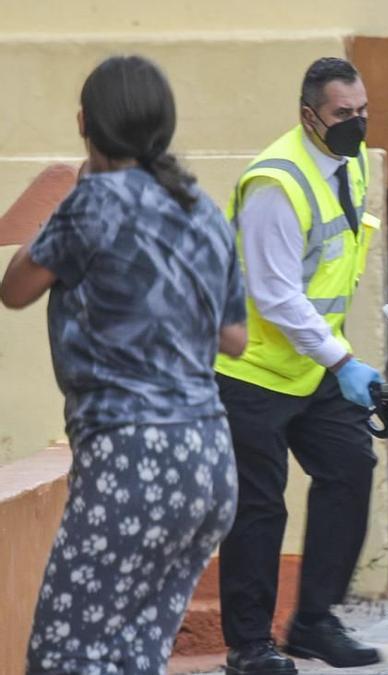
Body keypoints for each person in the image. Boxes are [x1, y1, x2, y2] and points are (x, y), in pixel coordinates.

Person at [1, 55, 247, 675]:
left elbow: (16, 287)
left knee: (66, 656)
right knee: (134, 653)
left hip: (130, 461)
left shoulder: (92, 204)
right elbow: (235, 338)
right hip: (209, 461)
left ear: (85, 122)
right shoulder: (204, 211)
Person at [215, 57, 384, 674]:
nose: (356, 124)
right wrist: (343, 359)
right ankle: (250, 646)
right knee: (260, 508)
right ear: (308, 115)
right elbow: (276, 292)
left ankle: (313, 621)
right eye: (343, 115)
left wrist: (336, 359)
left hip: (313, 368)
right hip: (252, 371)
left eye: (362, 111)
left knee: (350, 468)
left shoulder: (353, 161)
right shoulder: (275, 183)